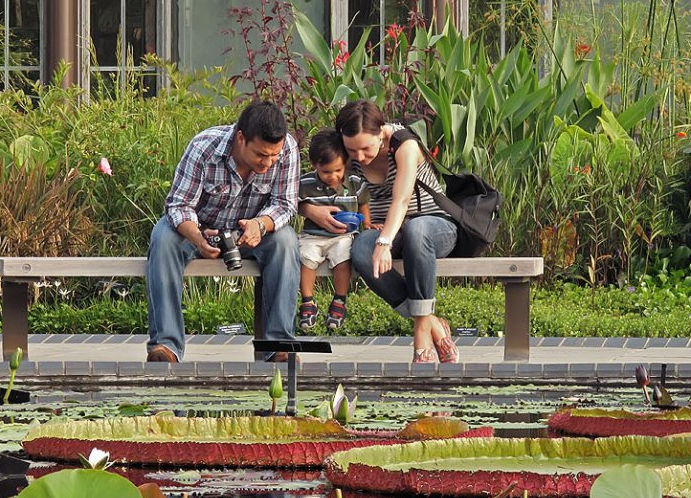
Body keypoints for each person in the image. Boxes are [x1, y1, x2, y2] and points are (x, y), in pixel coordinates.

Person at [301, 100, 459, 363]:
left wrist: (384, 242)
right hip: (387, 229)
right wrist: (309, 211)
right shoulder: (347, 153)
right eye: (353, 150)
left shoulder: (404, 144)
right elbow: (311, 184)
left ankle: (421, 331)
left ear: (381, 131)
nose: (360, 157)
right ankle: (430, 321)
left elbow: (402, 199)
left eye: (366, 148)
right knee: (362, 247)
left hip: (434, 225)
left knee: (416, 230)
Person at [146, 100, 300, 363]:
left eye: (274, 155)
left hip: (252, 233)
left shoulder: (287, 149)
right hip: (199, 231)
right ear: (241, 138)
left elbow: (285, 205)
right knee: (163, 238)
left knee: (286, 241)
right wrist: (197, 236)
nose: (269, 162)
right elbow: (179, 205)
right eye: (262, 155)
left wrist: (261, 224)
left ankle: (279, 346)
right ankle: (166, 345)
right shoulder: (204, 147)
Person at [297, 128, 371, 331]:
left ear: (345, 163)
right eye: (326, 172)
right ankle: (307, 301)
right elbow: (292, 204)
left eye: (338, 170)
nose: (333, 176)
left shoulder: (355, 182)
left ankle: (339, 300)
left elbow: (363, 202)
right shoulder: (305, 183)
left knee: (343, 257)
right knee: (306, 258)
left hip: (343, 235)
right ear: (314, 165)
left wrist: (368, 223)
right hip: (313, 235)